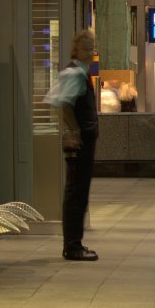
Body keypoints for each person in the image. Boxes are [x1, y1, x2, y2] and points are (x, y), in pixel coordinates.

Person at [43, 29, 100, 261]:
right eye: (87, 46)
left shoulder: (79, 72)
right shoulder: (75, 73)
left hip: (83, 139)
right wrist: (75, 132)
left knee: (78, 191)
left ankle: (75, 243)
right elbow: (64, 104)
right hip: (80, 142)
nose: (91, 51)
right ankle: (73, 245)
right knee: (76, 192)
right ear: (77, 49)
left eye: (92, 46)